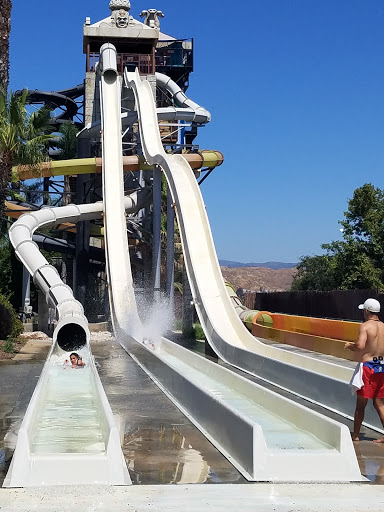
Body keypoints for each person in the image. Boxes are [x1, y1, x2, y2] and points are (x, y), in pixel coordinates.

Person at [345, 298, 384, 442]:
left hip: (368, 368)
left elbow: (360, 346)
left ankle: (355, 435)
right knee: (379, 403)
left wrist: (350, 346)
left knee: (361, 404)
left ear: (367, 311)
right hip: (382, 366)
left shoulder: (365, 326)